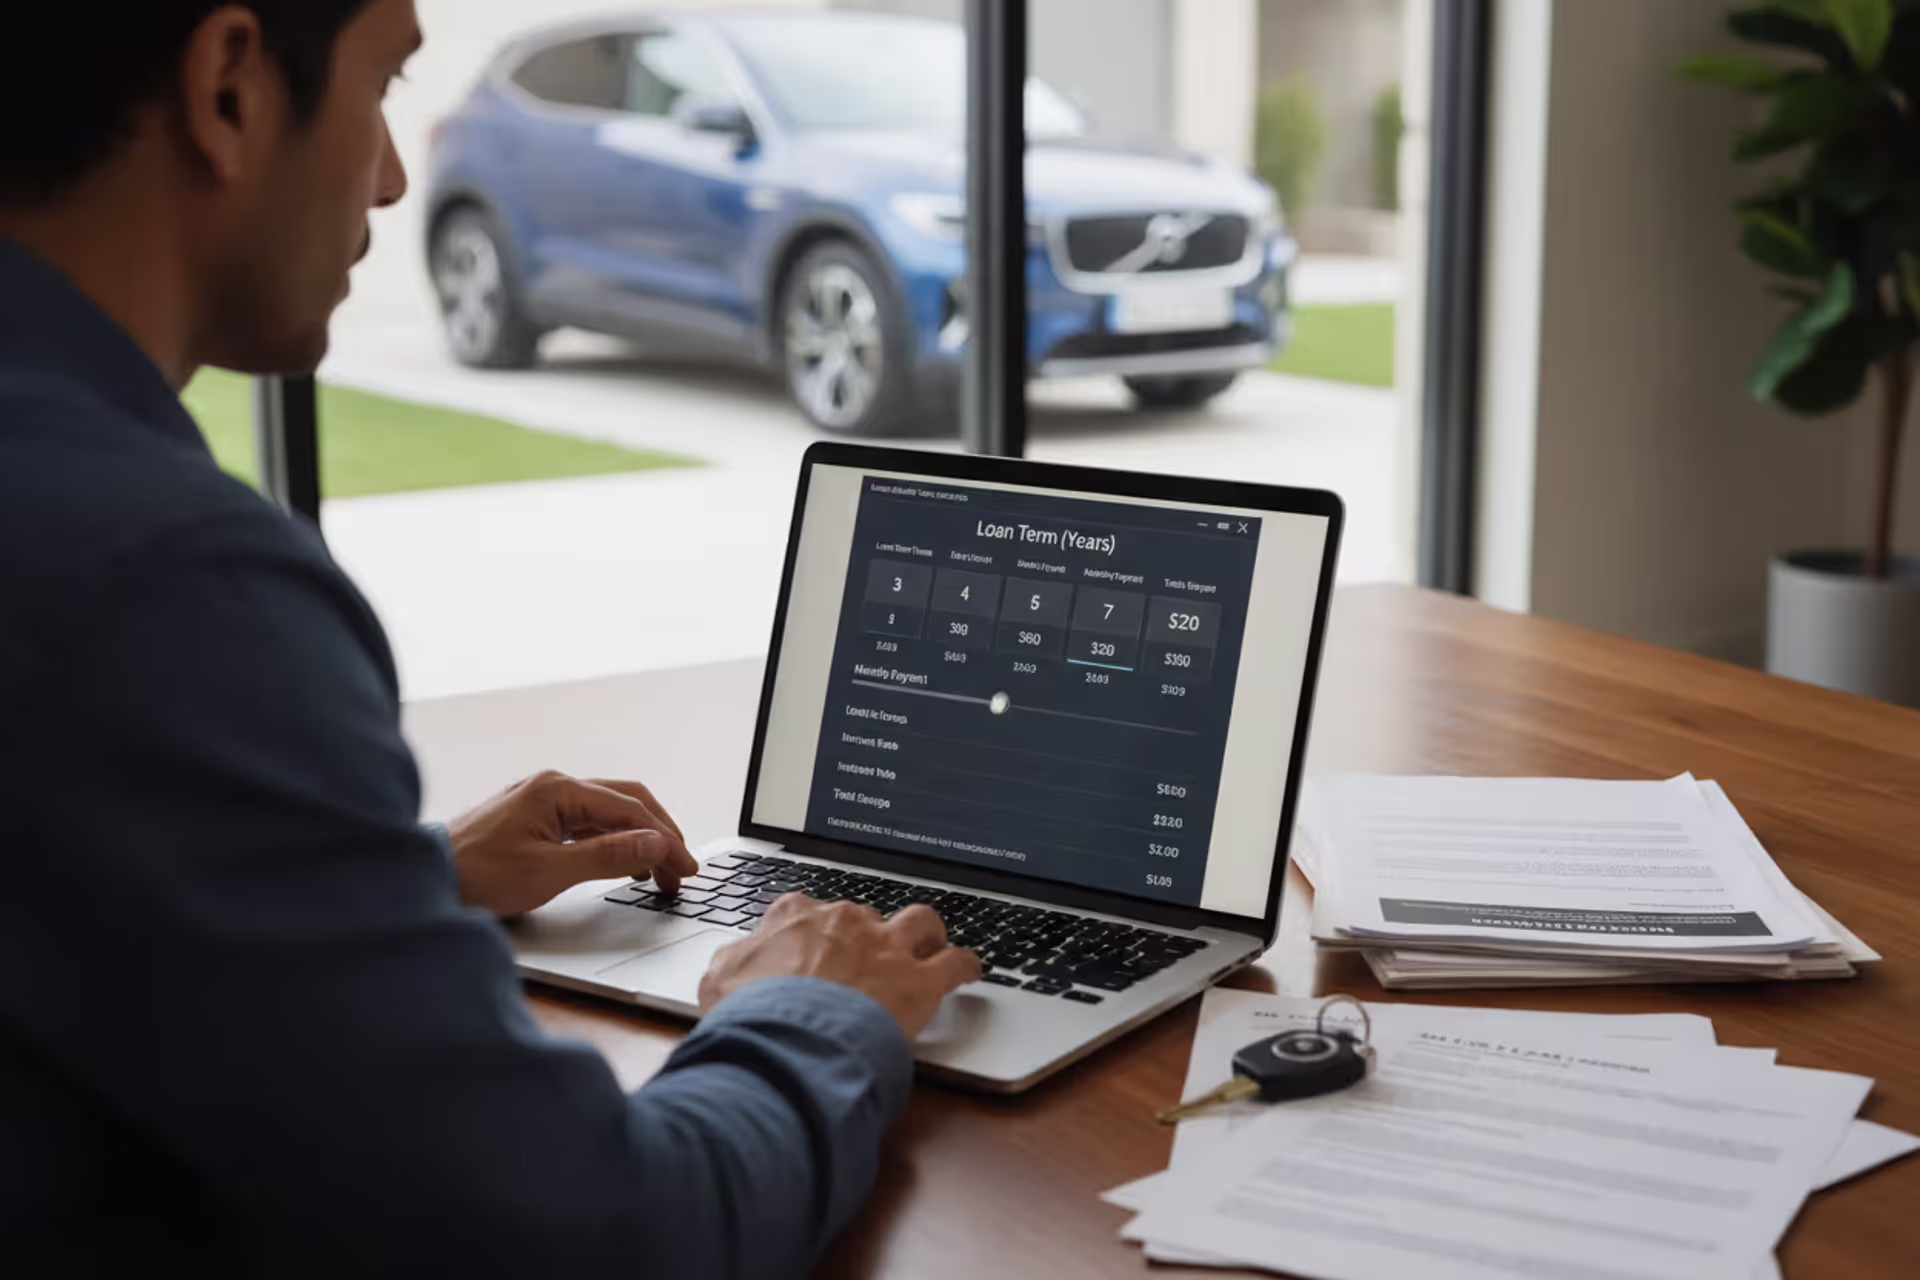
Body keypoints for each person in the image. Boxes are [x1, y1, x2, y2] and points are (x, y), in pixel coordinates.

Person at [0, 3, 979, 1275]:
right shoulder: (162, 583)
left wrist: (374, 883)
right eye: (384, 83)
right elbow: (596, 1240)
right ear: (231, 86)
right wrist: (811, 1007)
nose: (399, 175)